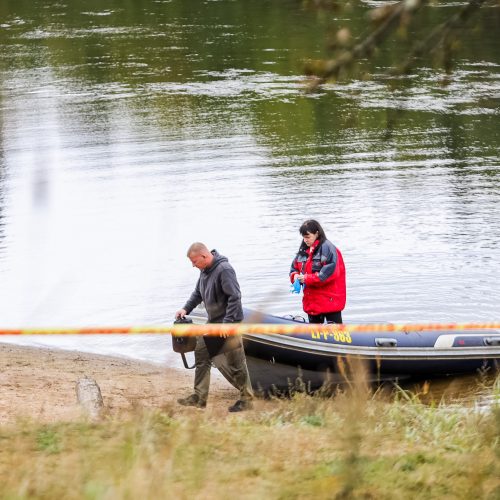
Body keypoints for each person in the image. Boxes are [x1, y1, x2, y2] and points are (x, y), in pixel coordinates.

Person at [175, 242, 254, 412]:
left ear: (204, 256)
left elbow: (235, 297)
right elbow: (197, 294)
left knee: (236, 363)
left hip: (229, 325)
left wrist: (228, 324)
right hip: (213, 324)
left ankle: (247, 399)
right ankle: (199, 397)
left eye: (194, 261)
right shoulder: (204, 271)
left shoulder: (224, 269)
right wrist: (185, 308)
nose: (193, 265)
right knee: (201, 354)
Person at [289, 220, 346, 324]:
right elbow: (294, 268)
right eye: (304, 237)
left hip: (330, 301)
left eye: (308, 237)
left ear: (317, 233)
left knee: (337, 334)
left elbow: (328, 274)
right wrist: (295, 276)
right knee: (313, 332)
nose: (305, 240)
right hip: (312, 302)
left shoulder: (328, 249)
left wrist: (306, 278)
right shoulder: (303, 251)